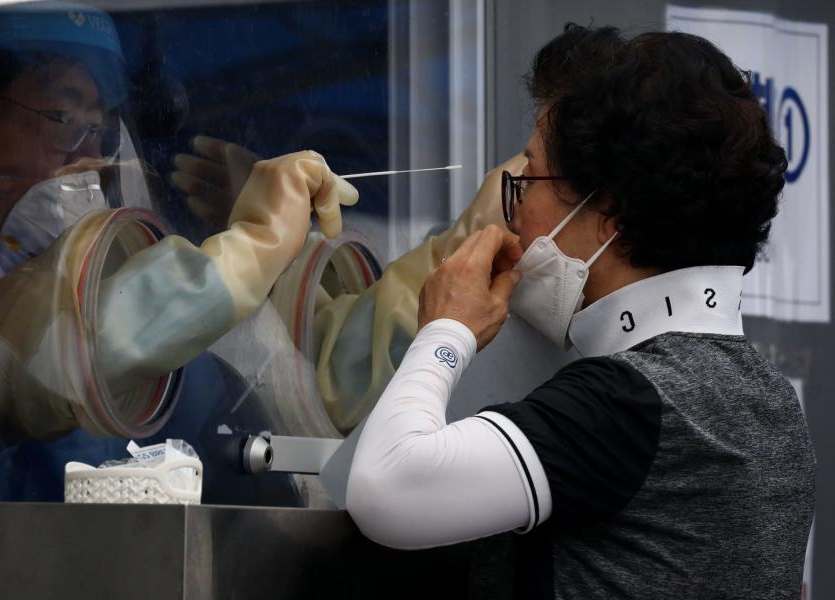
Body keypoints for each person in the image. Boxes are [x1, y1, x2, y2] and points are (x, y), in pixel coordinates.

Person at [345, 23, 816, 599]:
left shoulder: (630, 400)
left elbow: (384, 489)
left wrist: (447, 327)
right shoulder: (766, 396)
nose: (512, 216)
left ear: (608, 211)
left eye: (529, 178)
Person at [0, 2, 358, 499]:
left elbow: (283, 413)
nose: (90, 157)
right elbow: (67, 344)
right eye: (61, 116)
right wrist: (253, 246)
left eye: (100, 129)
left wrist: (275, 261)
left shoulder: (175, 359)